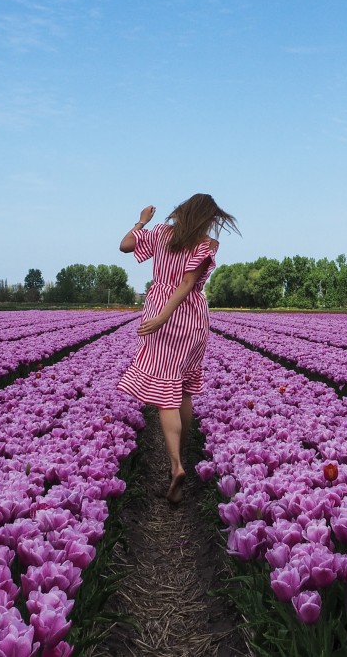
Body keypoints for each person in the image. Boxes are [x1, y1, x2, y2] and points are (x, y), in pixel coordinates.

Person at [117, 193, 238, 503]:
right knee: (183, 389)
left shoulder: (160, 233)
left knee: (164, 393)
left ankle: (176, 466)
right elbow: (187, 286)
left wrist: (141, 220)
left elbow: (125, 245)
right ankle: (181, 458)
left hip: (164, 314)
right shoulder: (206, 245)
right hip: (194, 320)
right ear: (208, 218)